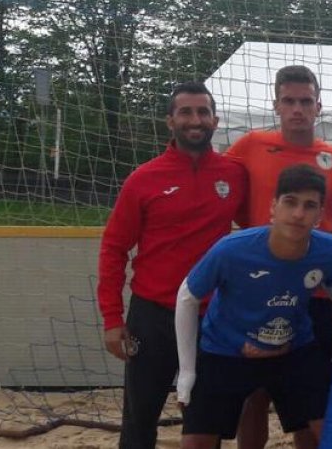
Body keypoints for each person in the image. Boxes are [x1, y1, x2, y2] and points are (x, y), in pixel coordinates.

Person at [97, 82, 247, 449]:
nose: (195, 120)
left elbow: (258, 231)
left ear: (215, 119)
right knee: (140, 416)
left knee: (204, 420)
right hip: (153, 316)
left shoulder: (234, 174)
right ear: (170, 121)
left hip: (211, 316)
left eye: (202, 112)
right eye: (186, 112)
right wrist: (113, 320)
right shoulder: (144, 179)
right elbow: (114, 249)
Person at [174, 164, 332, 449]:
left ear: (320, 215)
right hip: (227, 351)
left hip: (293, 349)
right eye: (290, 202)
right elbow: (186, 296)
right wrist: (187, 370)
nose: (299, 213)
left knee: (330, 433)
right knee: (195, 443)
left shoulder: (329, 250)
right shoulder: (231, 250)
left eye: (309, 205)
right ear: (274, 207)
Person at [224, 64, 332, 449]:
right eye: (289, 101)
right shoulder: (248, 146)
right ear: (276, 104)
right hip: (254, 295)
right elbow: (225, 202)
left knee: (309, 399)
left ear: (319, 106)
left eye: (305, 101)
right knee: (254, 397)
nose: (297, 108)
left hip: (312, 295)